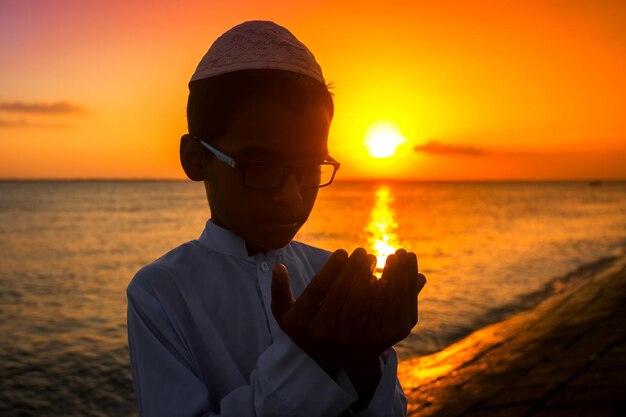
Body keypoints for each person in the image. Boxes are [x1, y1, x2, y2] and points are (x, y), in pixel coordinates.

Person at [126, 20, 426, 417]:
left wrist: (364, 358)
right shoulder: (162, 292)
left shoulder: (328, 277)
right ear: (196, 159)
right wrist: (308, 357)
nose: (292, 196)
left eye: (310, 168)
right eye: (262, 167)